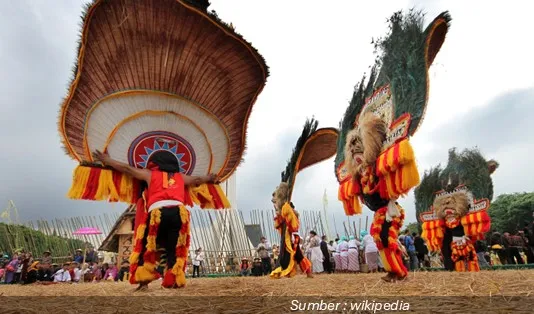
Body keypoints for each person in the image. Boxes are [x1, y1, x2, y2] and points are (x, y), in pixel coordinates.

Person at [92, 150, 218, 290]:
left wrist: (108, 161)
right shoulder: (180, 177)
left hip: (157, 213)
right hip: (178, 214)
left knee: (147, 246)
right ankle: (174, 281)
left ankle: (144, 283)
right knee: (173, 248)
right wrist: (209, 178)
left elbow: (127, 169)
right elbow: (197, 180)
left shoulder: (150, 174)